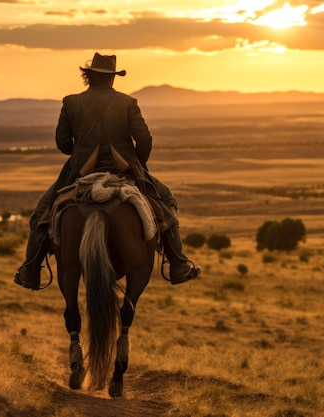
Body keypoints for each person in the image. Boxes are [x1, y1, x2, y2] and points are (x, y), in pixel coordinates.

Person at [14, 53, 201, 290]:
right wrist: (137, 162)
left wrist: (81, 152)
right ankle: (178, 264)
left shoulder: (70, 102)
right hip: (126, 169)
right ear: (112, 79)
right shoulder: (127, 103)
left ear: (89, 77)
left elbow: (62, 143)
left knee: (42, 212)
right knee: (165, 202)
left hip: (78, 172)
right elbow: (144, 139)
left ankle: (30, 270)